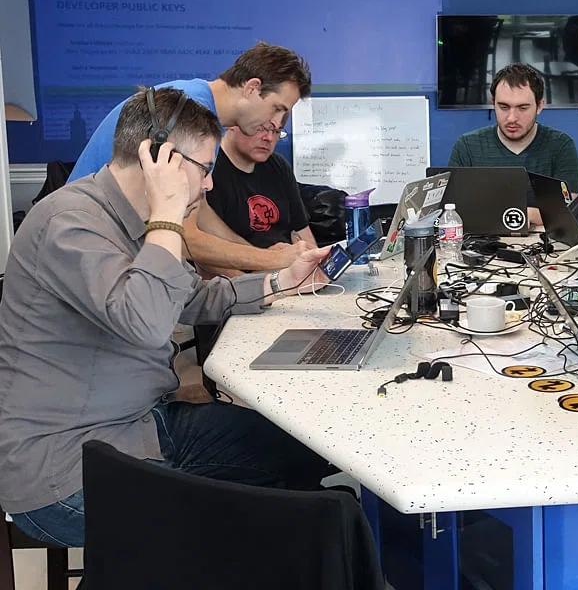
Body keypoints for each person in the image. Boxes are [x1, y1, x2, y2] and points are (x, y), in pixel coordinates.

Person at [0, 88, 335, 547]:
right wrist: (167, 216)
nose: (209, 185)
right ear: (160, 160)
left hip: (141, 426)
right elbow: (147, 323)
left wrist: (280, 282)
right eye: (205, 169)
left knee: (302, 454)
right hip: (67, 470)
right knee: (263, 526)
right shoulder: (70, 222)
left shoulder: (137, 219)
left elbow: (190, 297)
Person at [68, 41, 314, 274]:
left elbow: (199, 213)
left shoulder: (199, 106)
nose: (276, 123)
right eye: (278, 108)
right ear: (252, 88)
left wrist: (259, 256)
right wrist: (272, 261)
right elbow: (182, 236)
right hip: (88, 248)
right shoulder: (186, 113)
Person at [447, 63, 578, 226]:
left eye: (522, 108)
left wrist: (527, 215)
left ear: (540, 106)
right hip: (481, 239)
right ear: (493, 103)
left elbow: (572, 212)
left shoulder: (561, 145)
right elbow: (450, 211)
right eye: (504, 107)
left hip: (542, 240)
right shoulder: (467, 146)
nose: (512, 118)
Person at [194, 123, 318, 277]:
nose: (269, 138)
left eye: (276, 131)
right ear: (232, 123)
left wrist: (313, 268)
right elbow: (201, 252)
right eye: (260, 128)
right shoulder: (213, 173)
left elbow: (303, 234)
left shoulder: (278, 166)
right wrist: (265, 271)